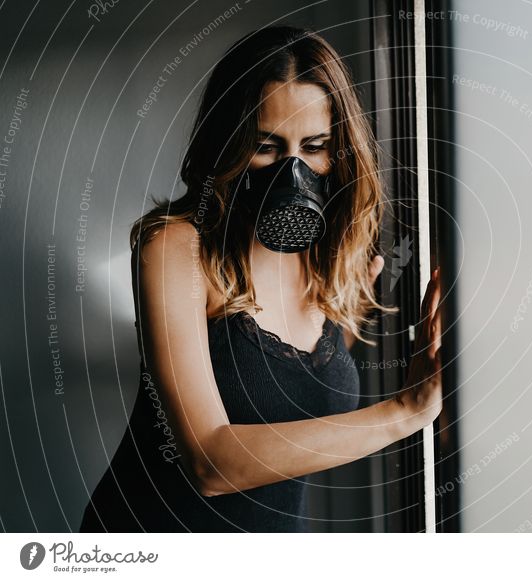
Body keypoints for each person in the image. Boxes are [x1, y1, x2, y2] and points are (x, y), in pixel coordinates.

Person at [79, 25, 442, 533]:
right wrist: (404, 411)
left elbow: (301, 402)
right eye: (267, 147)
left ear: (338, 153)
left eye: (314, 146)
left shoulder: (331, 261)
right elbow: (210, 463)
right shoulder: (175, 249)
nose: (292, 172)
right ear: (227, 145)